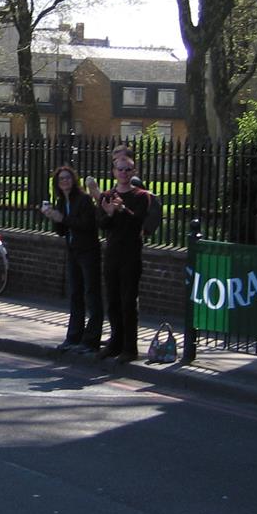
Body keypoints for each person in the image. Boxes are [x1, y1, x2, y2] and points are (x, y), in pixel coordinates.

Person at [40, 165, 102, 354]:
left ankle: (91, 340)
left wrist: (63, 218)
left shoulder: (83, 200)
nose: (65, 181)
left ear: (73, 180)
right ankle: (74, 336)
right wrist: (53, 216)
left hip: (88, 251)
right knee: (75, 294)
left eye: (68, 178)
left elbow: (87, 225)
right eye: (61, 179)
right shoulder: (61, 201)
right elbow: (61, 231)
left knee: (92, 294)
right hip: (73, 251)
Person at [97, 146, 150, 363]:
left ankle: (130, 347)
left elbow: (138, 222)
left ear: (133, 171)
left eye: (128, 170)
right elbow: (101, 224)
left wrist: (122, 210)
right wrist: (109, 214)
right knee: (113, 301)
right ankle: (115, 343)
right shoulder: (107, 196)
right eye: (120, 169)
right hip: (112, 254)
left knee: (128, 301)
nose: (124, 173)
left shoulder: (141, 196)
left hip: (131, 254)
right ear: (113, 171)